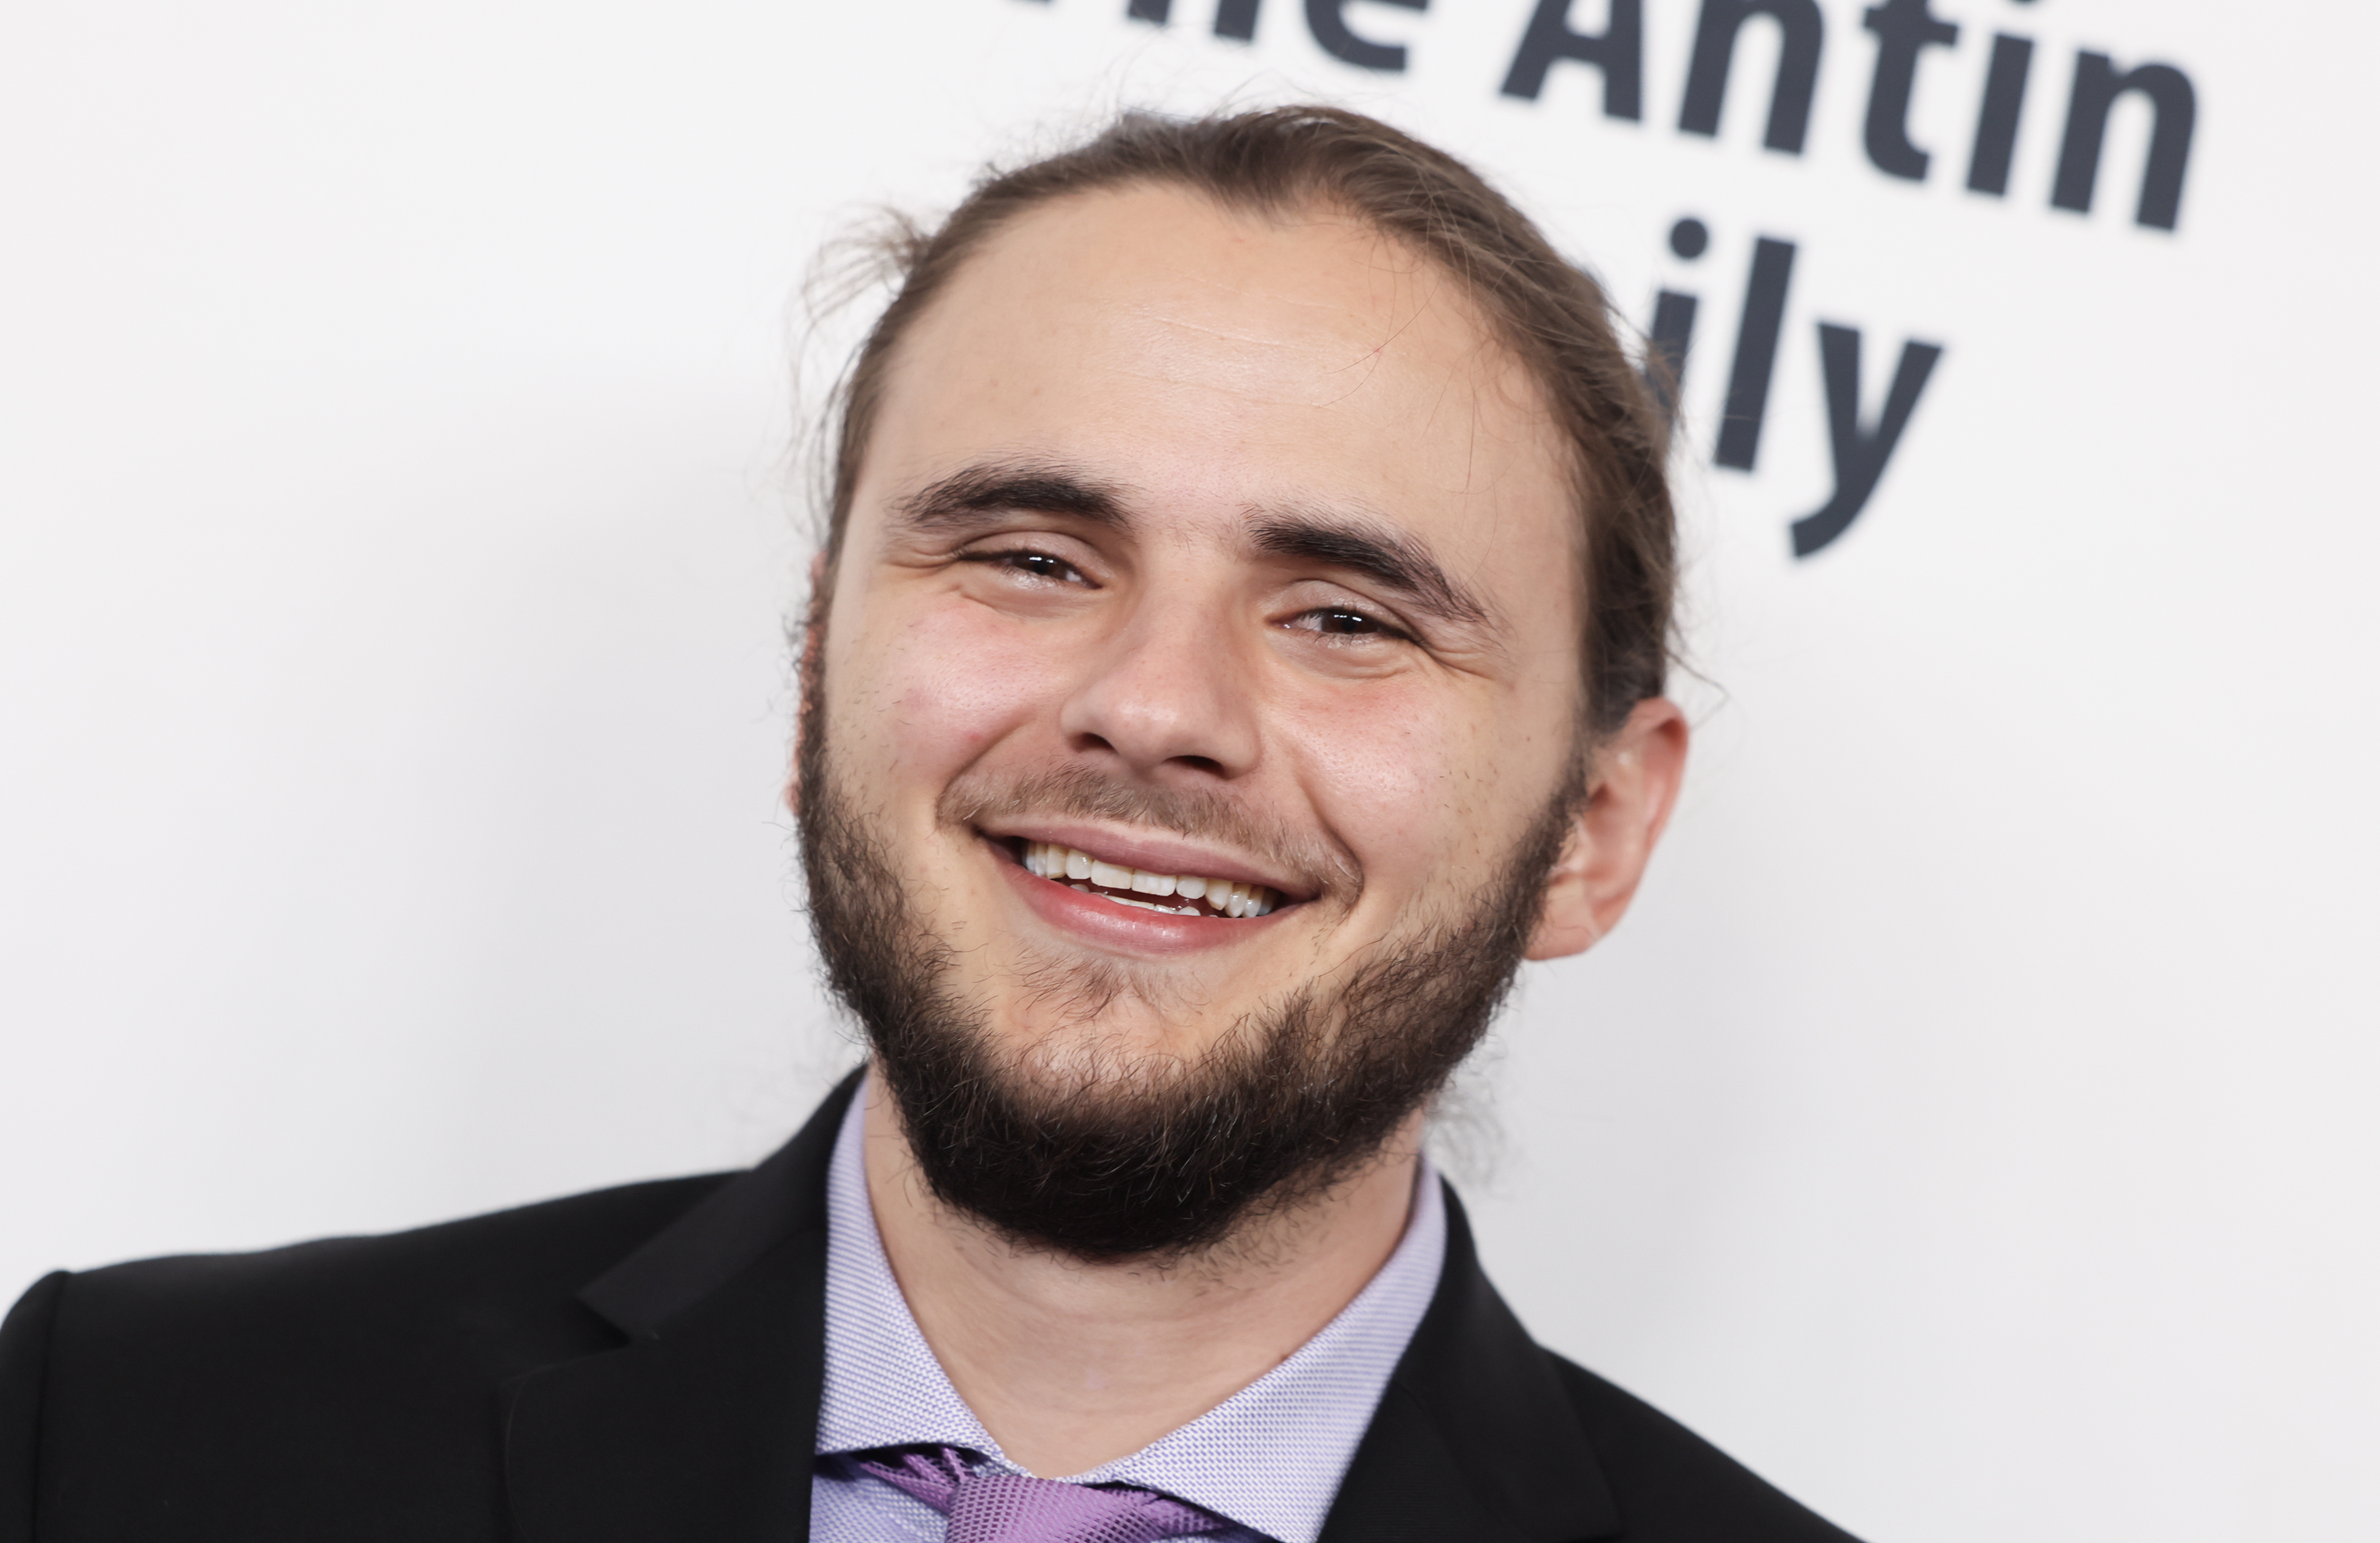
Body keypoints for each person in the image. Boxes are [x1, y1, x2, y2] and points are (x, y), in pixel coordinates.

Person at [0, 106, 1858, 1542]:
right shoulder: (130, 1437)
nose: (1154, 705)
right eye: (1035, 558)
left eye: (1348, 617)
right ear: (816, 671)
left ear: (1594, 828)